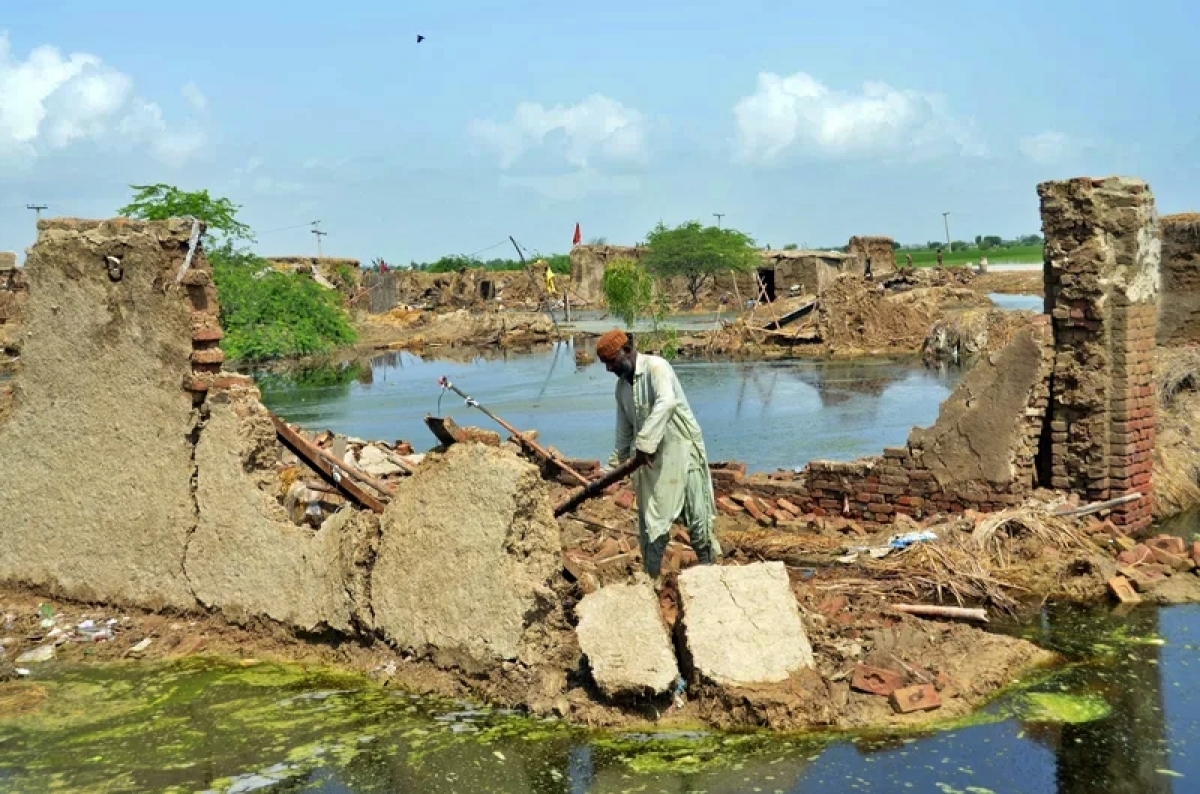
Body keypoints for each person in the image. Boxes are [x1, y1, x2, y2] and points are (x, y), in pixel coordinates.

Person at [595, 329, 721, 579]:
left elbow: (667, 403)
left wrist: (644, 444)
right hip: (653, 463)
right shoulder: (622, 389)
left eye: (612, 361)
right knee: (652, 529)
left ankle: (711, 577)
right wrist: (608, 472)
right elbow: (624, 435)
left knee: (698, 523)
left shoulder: (657, 368)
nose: (609, 368)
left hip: (683, 452)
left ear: (627, 351)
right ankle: (651, 584)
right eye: (605, 364)